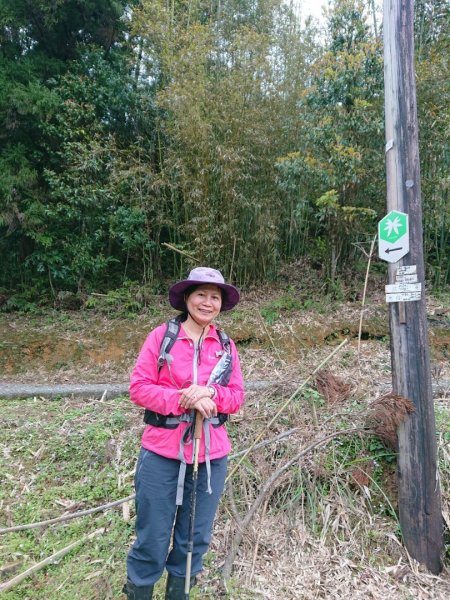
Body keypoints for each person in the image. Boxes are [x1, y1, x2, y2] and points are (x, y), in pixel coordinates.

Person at [123, 267, 245, 600]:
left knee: (194, 539)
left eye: (215, 297)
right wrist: (182, 398)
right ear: (187, 298)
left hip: (210, 455)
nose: (208, 302)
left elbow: (236, 396)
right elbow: (139, 388)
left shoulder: (225, 344)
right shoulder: (162, 336)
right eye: (201, 294)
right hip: (161, 452)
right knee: (153, 538)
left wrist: (211, 396)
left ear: (221, 304)